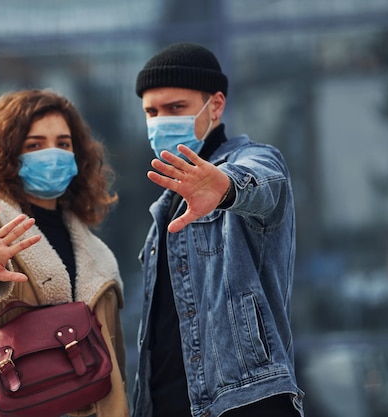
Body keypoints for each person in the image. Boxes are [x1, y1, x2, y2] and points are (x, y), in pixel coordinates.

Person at [0, 89, 129, 417]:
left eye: (63, 144)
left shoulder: (92, 247)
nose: (52, 154)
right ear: (8, 155)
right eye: (34, 145)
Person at [131, 42, 305, 417]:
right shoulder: (164, 208)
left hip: (243, 403)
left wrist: (226, 188)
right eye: (151, 111)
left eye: (176, 108)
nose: (161, 120)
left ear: (216, 105)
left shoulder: (251, 159)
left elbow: (263, 183)